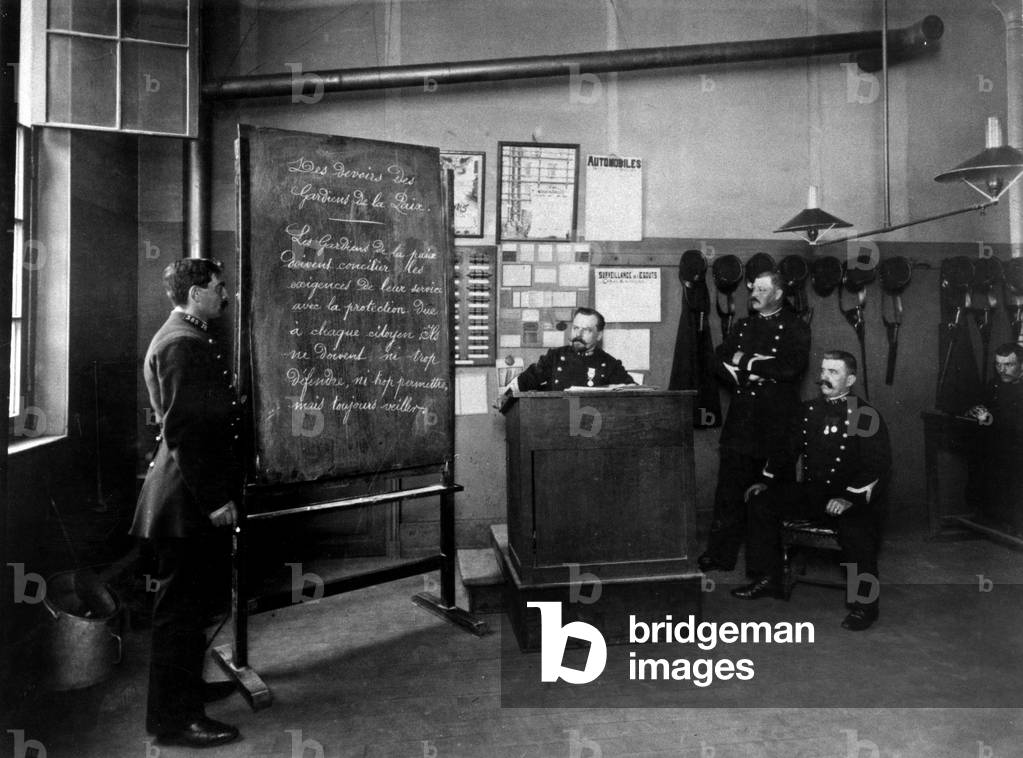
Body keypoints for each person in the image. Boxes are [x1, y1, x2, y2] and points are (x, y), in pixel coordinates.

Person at [131, 258, 243, 748]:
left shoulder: (188, 333)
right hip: (184, 498)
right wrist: (215, 499)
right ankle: (175, 721)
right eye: (219, 287)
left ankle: (187, 692)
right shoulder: (182, 342)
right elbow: (184, 431)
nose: (226, 295)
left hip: (186, 493)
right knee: (178, 612)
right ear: (196, 293)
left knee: (191, 606)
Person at [731, 351, 891, 632]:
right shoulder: (808, 411)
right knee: (761, 502)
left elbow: (876, 467)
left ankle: (864, 605)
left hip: (850, 499)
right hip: (814, 494)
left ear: (850, 380)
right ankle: (769, 579)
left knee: (858, 531)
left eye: (834, 372)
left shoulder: (863, 414)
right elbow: (785, 451)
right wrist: (766, 481)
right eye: (823, 371)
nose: (824, 378)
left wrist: (849, 498)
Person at [697, 271, 810, 572]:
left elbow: (791, 368)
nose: (754, 294)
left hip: (776, 420)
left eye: (762, 289)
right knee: (729, 490)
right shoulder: (744, 325)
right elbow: (718, 358)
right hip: (743, 418)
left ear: (778, 294)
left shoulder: (796, 327)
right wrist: (748, 373)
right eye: (753, 289)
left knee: (771, 492)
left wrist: (744, 360)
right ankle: (719, 554)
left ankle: (768, 566)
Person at [513, 307, 636, 390]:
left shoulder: (609, 364)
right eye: (576, 328)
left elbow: (632, 391)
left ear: (599, 335)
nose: (578, 334)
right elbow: (522, 383)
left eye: (586, 330)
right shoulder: (554, 356)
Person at [965, 342, 1023, 434]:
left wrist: (989, 417)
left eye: (1008, 365)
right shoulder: (994, 383)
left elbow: (1015, 423)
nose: (1001, 370)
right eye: (998, 364)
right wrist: (975, 411)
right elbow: (981, 404)